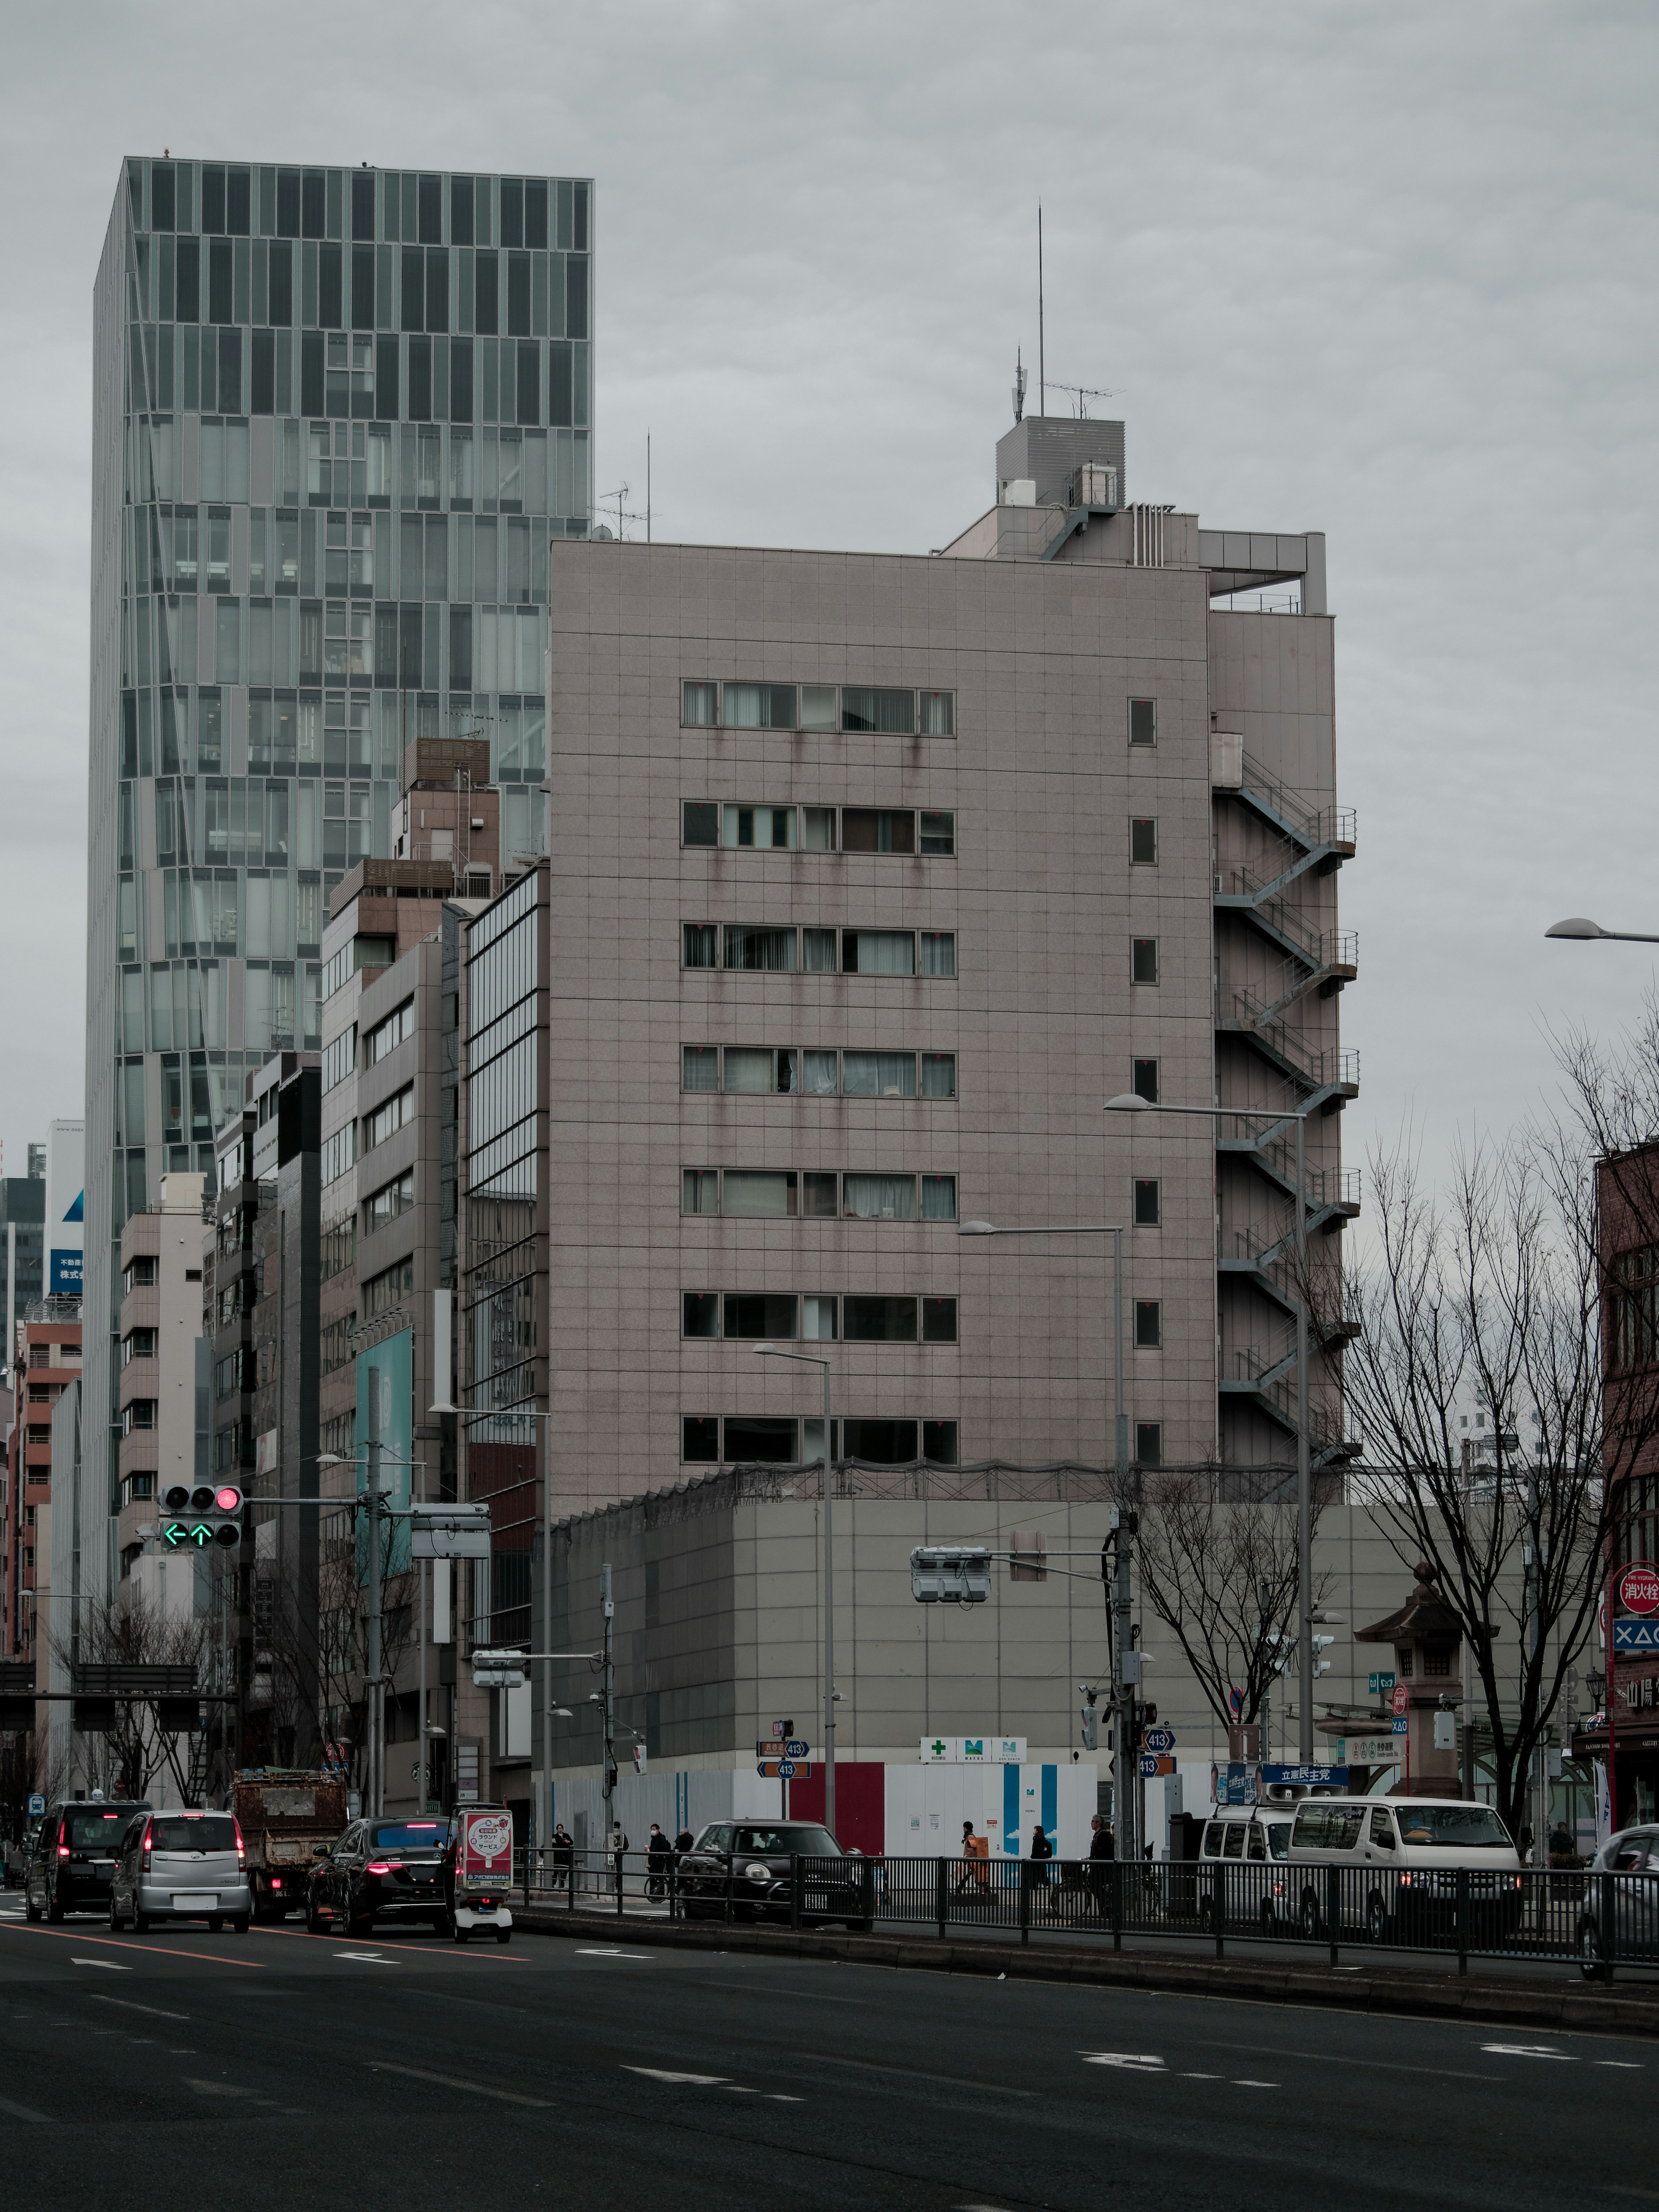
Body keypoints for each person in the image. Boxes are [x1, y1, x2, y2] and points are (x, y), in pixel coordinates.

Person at [1088, 1812, 1114, 1917]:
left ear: (1099, 1823)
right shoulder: (1101, 1835)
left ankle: (1105, 1912)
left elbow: (1104, 1852)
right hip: (1099, 1867)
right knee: (1100, 1891)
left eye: (1093, 1822)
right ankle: (1103, 1911)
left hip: (1101, 1869)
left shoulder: (1103, 1835)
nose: (1091, 1823)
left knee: (1101, 1890)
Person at [955, 1819, 990, 1896]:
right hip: (972, 1861)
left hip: (971, 1861)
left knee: (975, 1878)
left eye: (964, 1828)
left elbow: (971, 1849)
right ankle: (958, 1890)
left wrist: (967, 1858)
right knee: (968, 1877)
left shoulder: (970, 1837)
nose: (964, 1830)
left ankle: (987, 1891)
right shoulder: (970, 1836)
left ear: (966, 1829)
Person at [1030, 1820, 1054, 1913]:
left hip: (1036, 1862)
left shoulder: (1037, 1841)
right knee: (1042, 1876)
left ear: (1037, 1831)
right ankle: (1051, 1886)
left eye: (1035, 1830)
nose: (1034, 1831)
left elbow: (1036, 1852)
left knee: (1037, 1877)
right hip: (1042, 1862)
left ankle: (1035, 1891)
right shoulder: (1044, 1841)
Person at [646, 1821, 673, 1901]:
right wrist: (649, 1850)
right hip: (652, 1862)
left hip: (659, 1862)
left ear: (658, 1830)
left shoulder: (661, 1838)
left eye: (654, 1830)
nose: (652, 1831)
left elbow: (665, 1850)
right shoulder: (653, 1839)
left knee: (660, 1879)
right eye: (651, 1830)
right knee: (653, 1880)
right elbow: (653, 1849)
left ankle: (660, 1896)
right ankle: (653, 1895)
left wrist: (657, 1854)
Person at [551, 1821, 575, 1893]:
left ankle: (562, 1881)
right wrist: (565, 1843)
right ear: (557, 1829)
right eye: (559, 1828)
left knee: (566, 1868)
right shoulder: (555, 1836)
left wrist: (568, 1842)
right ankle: (554, 1883)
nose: (560, 1829)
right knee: (556, 1869)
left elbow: (572, 1842)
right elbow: (558, 1844)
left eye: (561, 1828)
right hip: (558, 1855)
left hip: (566, 1855)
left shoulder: (566, 1835)